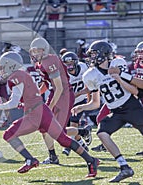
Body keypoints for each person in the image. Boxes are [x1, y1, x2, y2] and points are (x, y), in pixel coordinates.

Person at [0, 51, 99, 177]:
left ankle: (30, 159)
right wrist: (20, 104)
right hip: (41, 111)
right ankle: (91, 160)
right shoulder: (22, 75)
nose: (2, 69)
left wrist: (0, 107)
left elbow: (14, 102)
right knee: (63, 139)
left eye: (3, 66)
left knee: (9, 134)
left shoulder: (17, 76)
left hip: (36, 115)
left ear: (11, 65)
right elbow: (29, 98)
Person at [71, 40, 142, 182]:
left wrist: (119, 78)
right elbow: (95, 103)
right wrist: (81, 107)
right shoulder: (89, 75)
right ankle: (124, 167)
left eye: (94, 53)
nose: (91, 57)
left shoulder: (117, 64)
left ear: (104, 53)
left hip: (131, 106)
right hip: (115, 110)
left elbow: (134, 89)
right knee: (102, 133)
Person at [29, 37, 74, 164]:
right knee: (45, 127)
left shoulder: (50, 61)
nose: (36, 54)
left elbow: (59, 88)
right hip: (55, 93)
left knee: (57, 131)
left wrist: (50, 107)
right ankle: (53, 156)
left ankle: (86, 153)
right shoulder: (39, 64)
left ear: (45, 50)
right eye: (34, 51)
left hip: (64, 94)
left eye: (39, 51)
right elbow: (46, 84)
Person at [61, 51, 91, 156]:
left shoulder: (83, 67)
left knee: (74, 123)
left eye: (71, 63)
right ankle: (83, 140)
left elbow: (90, 81)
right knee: (68, 128)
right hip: (68, 101)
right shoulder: (63, 75)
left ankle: (68, 147)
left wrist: (89, 95)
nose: (69, 66)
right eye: (66, 64)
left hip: (80, 101)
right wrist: (82, 92)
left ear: (76, 62)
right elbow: (68, 95)